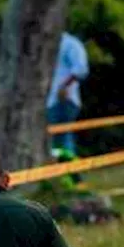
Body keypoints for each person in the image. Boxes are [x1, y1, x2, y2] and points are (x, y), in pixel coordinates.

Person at [45, 31, 90, 174]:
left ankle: (73, 175)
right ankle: (62, 175)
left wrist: (63, 86)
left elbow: (81, 68)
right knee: (56, 142)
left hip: (63, 99)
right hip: (49, 101)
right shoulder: (45, 44)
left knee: (63, 139)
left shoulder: (69, 43)